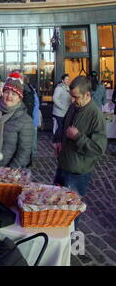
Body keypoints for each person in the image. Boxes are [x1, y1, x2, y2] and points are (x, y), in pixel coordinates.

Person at [53, 76, 107, 225]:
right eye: (71, 97)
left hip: (78, 172)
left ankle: (70, 239)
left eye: (76, 97)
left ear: (87, 95)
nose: (72, 100)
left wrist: (77, 137)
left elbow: (98, 148)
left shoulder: (95, 115)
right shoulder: (74, 107)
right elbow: (64, 125)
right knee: (56, 205)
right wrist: (58, 141)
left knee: (71, 212)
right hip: (63, 165)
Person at [52, 74, 72, 142]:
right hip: (59, 112)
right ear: (62, 80)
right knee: (60, 127)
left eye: (68, 79)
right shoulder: (59, 88)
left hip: (66, 111)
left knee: (64, 127)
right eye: (66, 79)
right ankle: (56, 141)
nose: (68, 81)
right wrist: (62, 107)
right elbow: (55, 99)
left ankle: (61, 141)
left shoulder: (68, 88)